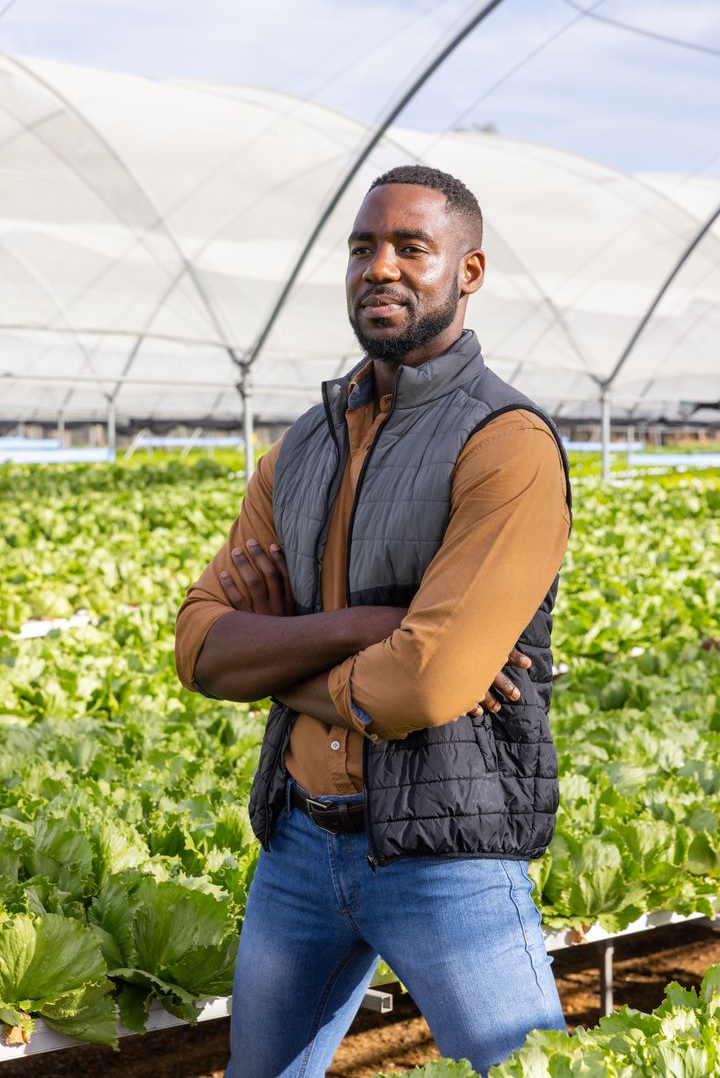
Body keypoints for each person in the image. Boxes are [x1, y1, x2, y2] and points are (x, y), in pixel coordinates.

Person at [175, 164, 571, 1078]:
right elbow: (199, 645)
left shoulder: (506, 444)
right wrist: (364, 626)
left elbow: (425, 683)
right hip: (299, 848)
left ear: (467, 273)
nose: (379, 267)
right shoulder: (298, 450)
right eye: (362, 247)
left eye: (411, 247)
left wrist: (275, 660)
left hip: (448, 853)